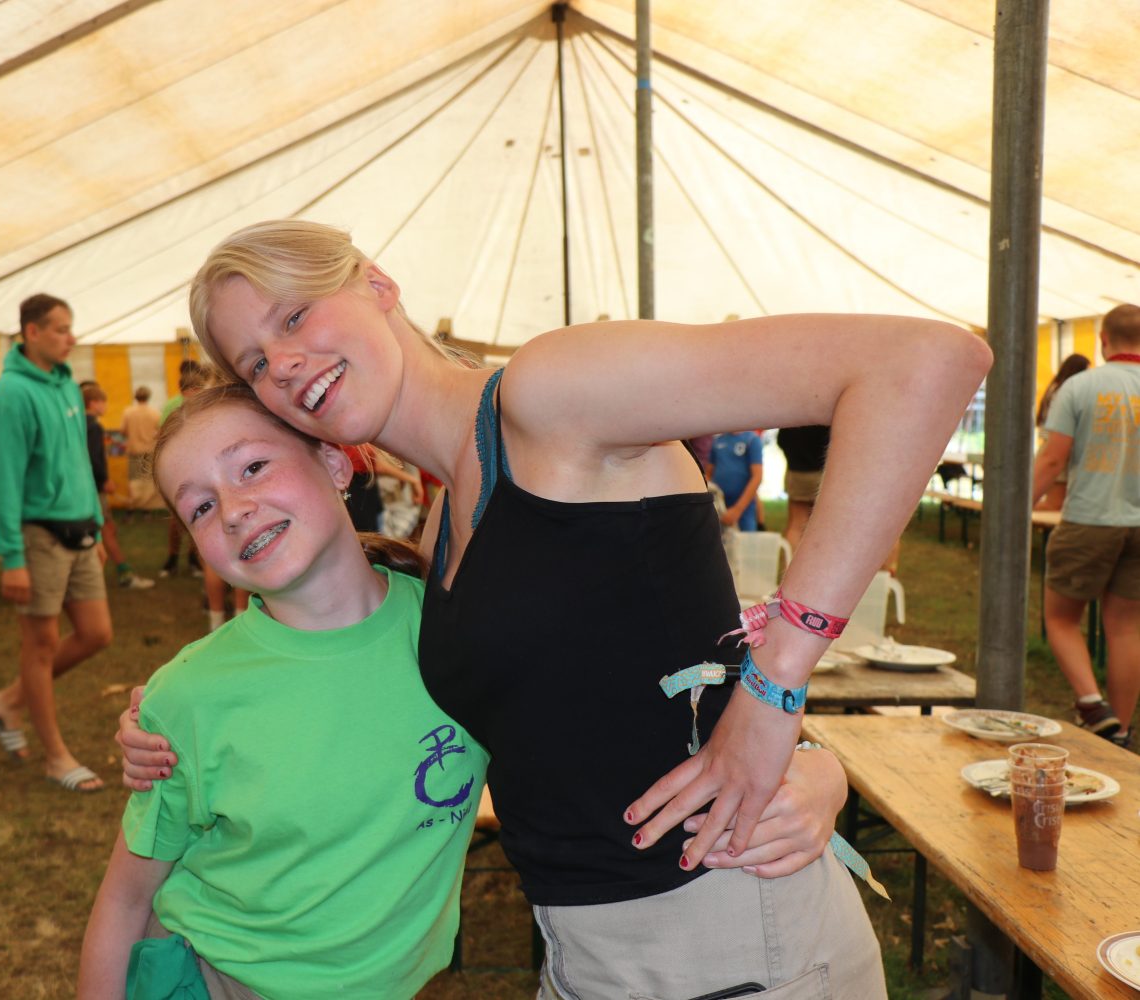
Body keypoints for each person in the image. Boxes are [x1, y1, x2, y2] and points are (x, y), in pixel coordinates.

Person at [118, 220, 989, 996]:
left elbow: (922, 364)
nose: (283, 363)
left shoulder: (548, 392)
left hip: (722, 923)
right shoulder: (443, 527)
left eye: (294, 316)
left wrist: (776, 692)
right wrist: (174, 723)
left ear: (377, 285)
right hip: (586, 950)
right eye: (254, 363)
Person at [80, 385, 848, 1000]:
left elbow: (638, 698)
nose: (234, 508)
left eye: (252, 467)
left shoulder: (457, 633)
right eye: (199, 506)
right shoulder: (190, 695)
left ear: (337, 463)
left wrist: (818, 767)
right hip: (217, 978)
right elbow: (125, 900)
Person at [0, 293, 113, 792]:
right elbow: (3, 481)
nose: (70, 338)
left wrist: (95, 525)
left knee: (96, 633)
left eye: (70, 328)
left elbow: (78, 463)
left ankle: (8, 701)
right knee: (40, 644)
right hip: (38, 537)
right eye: (60, 329)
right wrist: (11, 556)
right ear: (31, 332)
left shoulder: (66, 385)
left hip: (79, 531)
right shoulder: (11, 394)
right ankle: (56, 757)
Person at [1033, 305, 1140, 748]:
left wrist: (1015, 509)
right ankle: (1121, 731)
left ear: (1102, 339)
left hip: (1090, 518)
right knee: (1127, 628)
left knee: (1060, 618)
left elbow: (1052, 459)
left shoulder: (1080, 386)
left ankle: (1093, 704)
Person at [81, 381, 153, 591]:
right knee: (107, 529)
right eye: (103, 402)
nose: (105, 406)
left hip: (86, 486)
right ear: (93, 403)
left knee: (102, 530)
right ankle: (124, 574)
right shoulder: (94, 426)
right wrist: (104, 480)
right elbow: (93, 458)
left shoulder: (78, 423)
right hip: (95, 488)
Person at [158, 363, 207, 579]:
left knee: (198, 515)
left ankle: (189, 559)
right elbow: (163, 436)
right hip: (181, 469)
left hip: (198, 468)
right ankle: (175, 559)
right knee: (181, 517)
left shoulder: (205, 405)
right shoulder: (174, 405)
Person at [1033, 353, 1091, 513]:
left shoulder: (1056, 388)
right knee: (1055, 504)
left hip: (1051, 447)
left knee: (1056, 503)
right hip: (1057, 448)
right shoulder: (1065, 392)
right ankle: (1017, 514)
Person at [777, 424, 831, 553]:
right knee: (825, 523)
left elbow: (782, 440)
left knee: (796, 524)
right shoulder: (824, 416)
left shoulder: (795, 417)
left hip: (797, 472)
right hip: (825, 473)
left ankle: (791, 562)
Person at [708, 429, 764, 532]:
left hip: (744, 505)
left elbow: (757, 476)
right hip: (720, 504)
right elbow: (708, 474)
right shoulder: (718, 441)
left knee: (745, 539)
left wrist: (738, 509)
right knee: (719, 537)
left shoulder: (752, 440)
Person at [121, 385, 163, 510]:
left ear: (136, 397)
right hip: (150, 451)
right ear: (148, 397)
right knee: (148, 481)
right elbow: (160, 432)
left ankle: (133, 507)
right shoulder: (155, 413)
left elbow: (123, 431)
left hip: (134, 451)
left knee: (134, 481)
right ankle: (147, 509)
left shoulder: (128, 412)